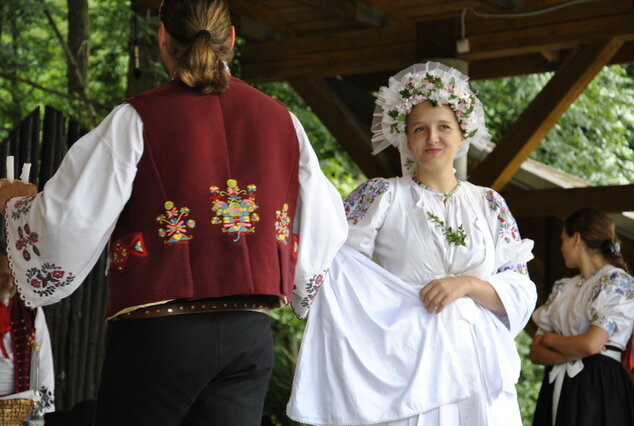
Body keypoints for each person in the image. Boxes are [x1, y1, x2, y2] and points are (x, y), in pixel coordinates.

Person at [0, 0, 347, 424]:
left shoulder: (136, 118)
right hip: (248, 335)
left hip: (160, 335)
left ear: (163, 38)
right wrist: (296, 285)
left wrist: (16, 206)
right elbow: (327, 223)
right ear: (232, 39)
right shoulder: (284, 122)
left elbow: (68, 221)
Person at [287, 61, 537, 426]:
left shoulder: (490, 203)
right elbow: (330, 251)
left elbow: (520, 287)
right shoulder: (383, 195)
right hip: (407, 365)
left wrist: (466, 285)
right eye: (420, 129)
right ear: (405, 138)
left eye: (443, 127)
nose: (432, 138)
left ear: (462, 133)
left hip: (479, 363)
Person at [530, 208, 634, 426]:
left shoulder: (616, 282)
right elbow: (537, 352)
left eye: (563, 239)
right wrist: (571, 351)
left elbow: (590, 344)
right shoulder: (563, 287)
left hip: (598, 386)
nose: (560, 247)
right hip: (558, 381)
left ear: (576, 238)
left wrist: (551, 340)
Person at [0, 246, 55, 415]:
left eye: (12, 276)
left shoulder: (30, 311)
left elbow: (44, 364)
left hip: (15, 409)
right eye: (2, 276)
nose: (8, 284)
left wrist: (43, 415)